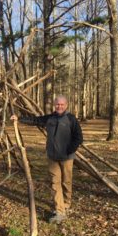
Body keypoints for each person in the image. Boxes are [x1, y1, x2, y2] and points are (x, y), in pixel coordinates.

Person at [11, 95, 83, 224]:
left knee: (66, 182)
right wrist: (19, 118)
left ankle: (66, 203)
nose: (59, 106)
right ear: (54, 106)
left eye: (62, 104)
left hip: (67, 157)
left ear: (66, 105)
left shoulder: (71, 119)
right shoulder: (50, 118)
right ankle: (60, 211)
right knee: (55, 183)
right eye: (57, 105)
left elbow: (79, 138)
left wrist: (69, 150)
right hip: (52, 157)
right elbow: (35, 120)